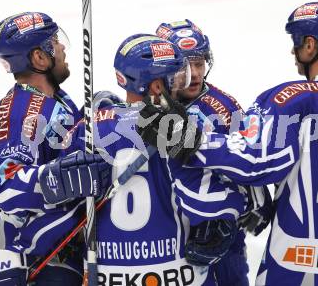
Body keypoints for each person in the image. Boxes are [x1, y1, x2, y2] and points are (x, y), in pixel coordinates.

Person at [138, 2, 318, 285]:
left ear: (311, 45)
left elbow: (256, 161)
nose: (294, 51)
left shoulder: (290, 98)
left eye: (297, 42)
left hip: (296, 265)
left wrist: (189, 138)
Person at [55, 34, 252, 285]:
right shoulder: (184, 129)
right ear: (157, 86)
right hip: (179, 275)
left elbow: (60, 199)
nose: (182, 84)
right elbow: (213, 204)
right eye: (177, 77)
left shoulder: (89, 129)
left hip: (109, 276)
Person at [0, 12, 111, 285]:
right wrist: (59, 180)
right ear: (40, 58)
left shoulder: (53, 101)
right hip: (38, 263)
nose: (63, 47)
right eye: (55, 42)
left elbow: (65, 149)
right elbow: (4, 184)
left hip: (60, 250)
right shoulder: (20, 111)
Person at [156, 19, 273, 286]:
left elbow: (250, 168)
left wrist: (229, 220)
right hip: (163, 238)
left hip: (213, 245)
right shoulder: (150, 99)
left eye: (199, 63)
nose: (195, 73)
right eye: (185, 65)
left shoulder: (223, 109)